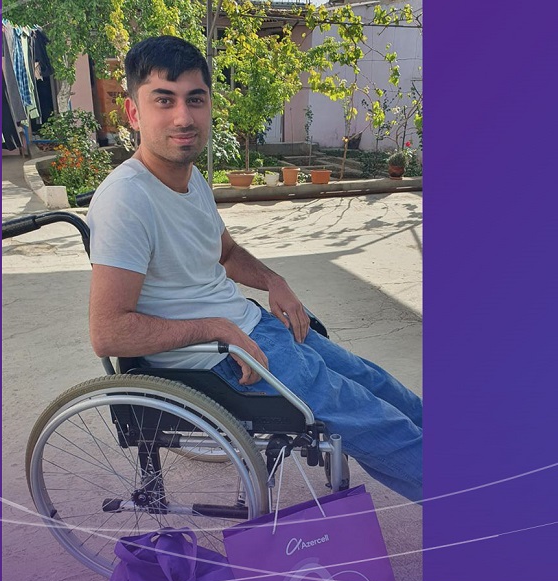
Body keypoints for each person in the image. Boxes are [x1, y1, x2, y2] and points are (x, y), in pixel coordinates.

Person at [86, 35, 422, 501]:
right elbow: (108, 333)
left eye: (195, 99)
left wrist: (273, 282)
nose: (183, 117)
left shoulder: (191, 179)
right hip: (217, 360)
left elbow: (225, 253)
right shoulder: (126, 199)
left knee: (380, 386)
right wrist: (216, 329)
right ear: (133, 113)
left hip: (251, 329)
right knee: (378, 422)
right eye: (164, 100)